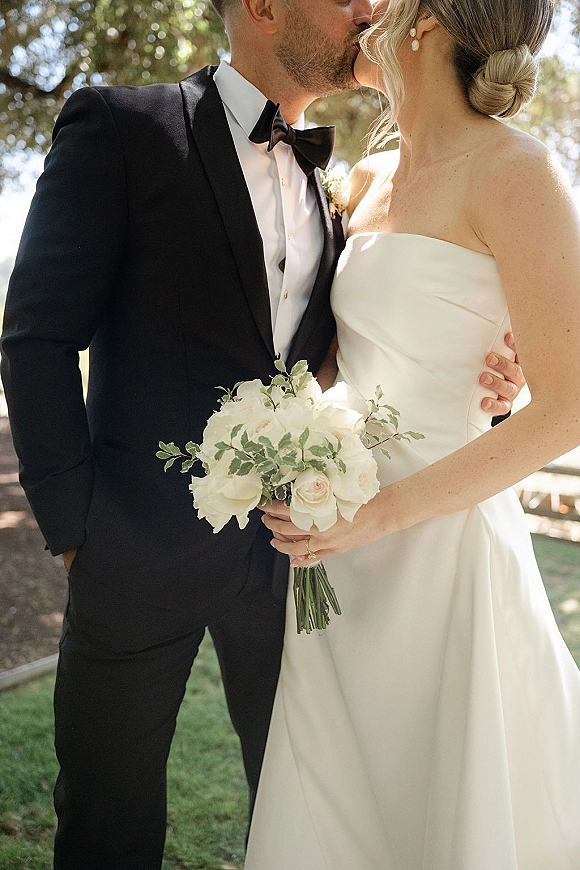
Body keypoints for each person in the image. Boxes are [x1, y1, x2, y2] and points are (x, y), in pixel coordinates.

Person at [0, 0, 524, 867]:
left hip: (296, 563)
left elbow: (361, 351)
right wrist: (77, 532)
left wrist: (492, 381)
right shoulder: (122, 126)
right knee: (105, 817)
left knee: (304, 807)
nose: (373, 9)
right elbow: (35, 336)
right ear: (266, 7)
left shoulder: (346, 184)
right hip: (131, 556)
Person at [248, 0, 580, 868]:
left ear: (426, 25)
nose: (369, 8)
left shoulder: (520, 174)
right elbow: (341, 354)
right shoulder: (367, 176)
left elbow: (569, 404)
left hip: (441, 549)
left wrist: (383, 514)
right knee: (342, 804)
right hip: (337, 542)